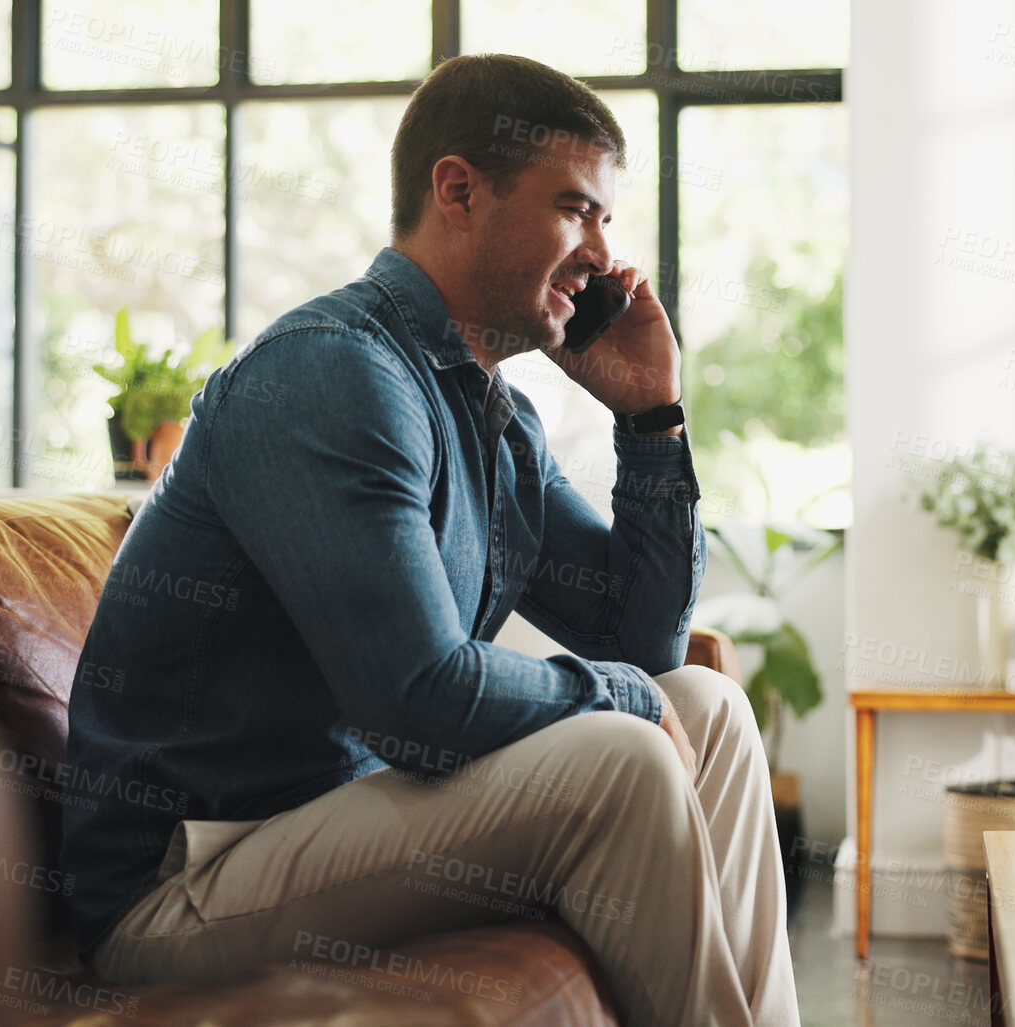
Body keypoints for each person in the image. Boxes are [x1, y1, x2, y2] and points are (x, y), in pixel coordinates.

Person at [60, 53, 799, 1027]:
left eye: (606, 219)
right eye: (576, 208)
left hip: (331, 824)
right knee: (625, 756)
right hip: (185, 878)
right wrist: (620, 697)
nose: (602, 253)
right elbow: (417, 699)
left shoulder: (489, 410)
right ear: (459, 191)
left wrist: (651, 420)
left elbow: (645, 644)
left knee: (703, 703)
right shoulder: (334, 374)